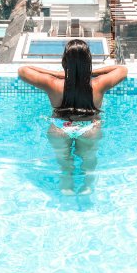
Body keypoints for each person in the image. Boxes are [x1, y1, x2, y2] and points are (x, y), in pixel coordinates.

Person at [18, 39, 127, 195]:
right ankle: (87, 187)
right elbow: (122, 69)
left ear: (64, 61)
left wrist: (58, 74)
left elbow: (23, 70)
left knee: (65, 164)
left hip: (60, 128)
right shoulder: (99, 84)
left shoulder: (52, 83)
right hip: (89, 128)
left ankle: (66, 186)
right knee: (89, 161)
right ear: (88, 61)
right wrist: (89, 72)